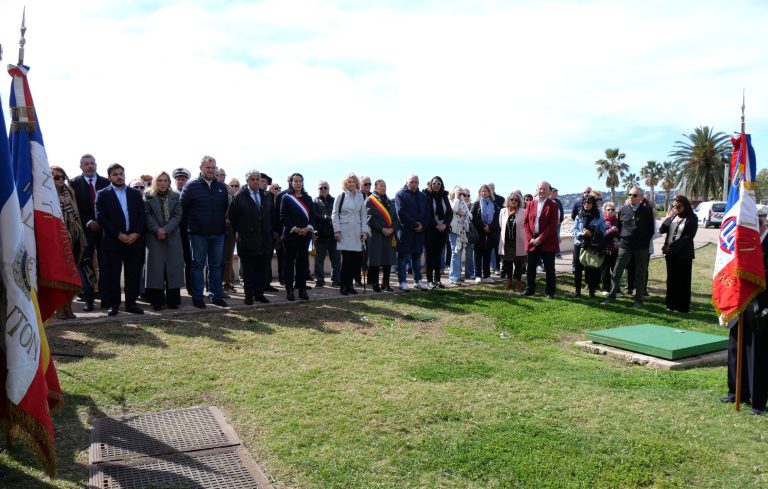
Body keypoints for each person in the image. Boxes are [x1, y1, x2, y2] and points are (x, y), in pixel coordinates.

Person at [721, 209, 768, 415]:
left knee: (757, 353)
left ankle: (757, 401)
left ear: (761, 225)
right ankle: (736, 392)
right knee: (735, 347)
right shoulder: (741, 244)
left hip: (760, 305)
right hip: (739, 301)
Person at [95, 163, 146, 316]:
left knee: (133, 274)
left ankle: (131, 304)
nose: (119, 177)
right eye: (115, 174)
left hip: (134, 240)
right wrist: (118, 234)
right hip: (113, 241)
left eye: (121, 174)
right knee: (113, 274)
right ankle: (114, 305)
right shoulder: (103, 194)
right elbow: (100, 217)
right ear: (109, 176)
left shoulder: (134, 193)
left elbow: (142, 215)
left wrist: (136, 233)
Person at [180, 155, 230, 309]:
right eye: (208, 167)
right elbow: (182, 209)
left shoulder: (221, 187)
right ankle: (197, 297)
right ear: (201, 168)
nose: (211, 170)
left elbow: (225, 209)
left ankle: (215, 295)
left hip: (218, 234)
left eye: (213, 167)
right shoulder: (191, 186)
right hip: (197, 234)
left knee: (215, 265)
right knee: (197, 265)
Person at [601, 186, 656, 307]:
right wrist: (622, 241)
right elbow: (620, 228)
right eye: (630, 195)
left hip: (641, 247)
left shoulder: (647, 212)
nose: (631, 197)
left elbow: (651, 230)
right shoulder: (623, 210)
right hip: (625, 246)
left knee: (640, 274)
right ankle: (611, 296)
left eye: (634, 195)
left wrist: (644, 242)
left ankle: (639, 299)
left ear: (640, 198)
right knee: (616, 272)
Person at [69, 154, 110, 311]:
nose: (90, 166)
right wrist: (89, 222)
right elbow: (75, 207)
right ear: (81, 166)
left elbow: (110, 205)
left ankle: (106, 298)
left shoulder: (106, 182)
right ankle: (89, 299)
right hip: (85, 232)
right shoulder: (73, 183)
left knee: (105, 264)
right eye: (86, 164)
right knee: (86, 266)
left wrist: (101, 222)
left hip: (104, 231)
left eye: (92, 163)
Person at [229, 170, 273, 304]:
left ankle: (259, 293)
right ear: (247, 181)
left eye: (257, 179)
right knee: (248, 270)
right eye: (252, 179)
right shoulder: (240, 196)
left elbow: (272, 215)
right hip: (247, 239)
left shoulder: (266, 195)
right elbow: (233, 217)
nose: (255, 181)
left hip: (264, 239)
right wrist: (244, 230)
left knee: (262, 268)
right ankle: (249, 295)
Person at [144, 171, 184, 310]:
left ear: (169, 182)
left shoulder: (176, 196)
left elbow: (178, 216)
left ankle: (173, 301)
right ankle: (157, 302)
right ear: (155, 182)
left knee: (172, 268)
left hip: (172, 235)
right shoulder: (148, 196)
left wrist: (165, 230)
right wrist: (157, 230)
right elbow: (147, 216)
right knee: (156, 269)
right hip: (154, 237)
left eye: (165, 180)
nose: (162, 183)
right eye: (159, 180)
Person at [51, 166, 86, 319]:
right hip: (55, 240)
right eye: (56, 177)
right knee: (58, 277)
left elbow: (76, 216)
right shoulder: (44, 195)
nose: (60, 180)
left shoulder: (70, 193)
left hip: (73, 239)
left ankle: (68, 307)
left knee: (72, 276)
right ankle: (58, 309)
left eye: (62, 177)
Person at [659, 195, 698, 312]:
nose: (676, 208)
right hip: (670, 253)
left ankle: (682, 306)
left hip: (683, 253)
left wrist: (672, 246)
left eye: (678, 206)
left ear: (685, 206)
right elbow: (662, 230)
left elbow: (689, 236)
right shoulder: (673, 217)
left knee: (683, 280)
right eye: (674, 206)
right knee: (671, 279)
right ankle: (670, 304)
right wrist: (668, 217)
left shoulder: (692, 218)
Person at [332, 173, 369, 295]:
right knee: (346, 260)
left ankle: (350, 286)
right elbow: (335, 215)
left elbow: (363, 215)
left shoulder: (361, 196)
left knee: (354, 261)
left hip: (357, 232)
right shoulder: (340, 196)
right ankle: (343, 286)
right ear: (345, 183)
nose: (351, 183)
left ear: (357, 183)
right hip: (344, 232)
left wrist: (364, 231)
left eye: (353, 181)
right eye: (349, 181)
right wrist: (337, 230)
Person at [280, 172, 315, 301]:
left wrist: (308, 227)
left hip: (304, 236)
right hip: (290, 236)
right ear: (291, 182)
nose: (298, 183)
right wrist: (295, 229)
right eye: (295, 181)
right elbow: (283, 217)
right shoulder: (286, 197)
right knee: (289, 264)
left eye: (300, 181)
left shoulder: (308, 198)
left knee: (302, 264)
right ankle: (289, 290)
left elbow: (312, 216)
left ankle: (302, 290)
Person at [523, 181, 559, 299]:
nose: (542, 191)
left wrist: (540, 238)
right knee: (531, 268)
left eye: (544, 189)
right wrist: (531, 238)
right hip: (532, 241)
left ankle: (550, 292)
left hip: (547, 241)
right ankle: (530, 289)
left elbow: (553, 225)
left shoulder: (553, 205)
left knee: (549, 268)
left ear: (549, 191)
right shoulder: (530, 204)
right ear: (537, 190)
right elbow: (526, 222)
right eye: (540, 189)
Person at [395, 174, 430, 291]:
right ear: (406, 182)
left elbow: (427, 212)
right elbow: (401, 213)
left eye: (416, 182)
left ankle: (418, 280)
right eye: (412, 182)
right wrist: (415, 225)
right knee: (403, 258)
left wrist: (422, 225)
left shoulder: (422, 196)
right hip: (406, 231)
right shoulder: (400, 195)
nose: (414, 184)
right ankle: (403, 281)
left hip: (419, 232)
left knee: (417, 257)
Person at [366, 179, 400, 292]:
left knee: (388, 259)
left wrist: (392, 229)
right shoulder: (370, 200)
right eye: (381, 186)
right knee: (376, 259)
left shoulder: (390, 201)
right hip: (376, 234)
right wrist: (382, 229)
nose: (383, 188)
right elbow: (369, 218)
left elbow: (395, 218)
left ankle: (385, 283)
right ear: (375, 188)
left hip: (389, 234)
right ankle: (375, 283)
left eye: (384, 186)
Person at [572, 195, 605, 298]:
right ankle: (577, 291)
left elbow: (603, 230)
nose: (586, 204)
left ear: (593, 204)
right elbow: (574, 230)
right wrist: (581, 234)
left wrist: (591, 232)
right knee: (577, 268)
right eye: (584, 202)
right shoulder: (579, 216)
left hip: (592, 245)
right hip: (579, 244)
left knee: (590, 268)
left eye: (589, 202)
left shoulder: (598, 216)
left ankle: (591, 291)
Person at [423, 176, 453, 289]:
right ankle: (430, 280)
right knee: (430, 256)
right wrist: (436, 225)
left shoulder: (444, 196)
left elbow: (449, 213)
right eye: (434, 183)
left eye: (438, 183)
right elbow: (427, 213)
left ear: (441, 185)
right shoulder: (427, 196)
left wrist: (444, 224)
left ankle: (438, 280)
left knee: (438, 256)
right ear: (431, 184)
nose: (436, 185)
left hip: (442, 230)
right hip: (431, 229)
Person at [470, 184, 500, 283]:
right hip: (479, 233)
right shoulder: (476, 204)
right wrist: (483, 226)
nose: (483, 193)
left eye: (485, 191)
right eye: (482, 191)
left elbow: (497, 219)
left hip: (490, 234)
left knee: (487, 255)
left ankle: (487, 276)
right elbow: (473, 217)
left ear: (489, 192)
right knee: (477, 256)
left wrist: (490, 227)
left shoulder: (494, 205)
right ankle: (478, 275)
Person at [313, 180, 340, 288]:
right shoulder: (314, 201)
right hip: (320, 236)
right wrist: (326, 218)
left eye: (325, 188)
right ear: (318, 189)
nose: (323, 190)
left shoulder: (335, 200)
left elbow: (338, 215)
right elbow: (314, 215)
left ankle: (336, 280)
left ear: (329, 189)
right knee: (319, 260)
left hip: (334, 235)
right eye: (321, 188)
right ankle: (319, 280)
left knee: (336, 260)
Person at [498, 190, 527, 291]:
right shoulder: (503, 211)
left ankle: (518, 281)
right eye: (512, 199)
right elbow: (501, 225)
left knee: (518, 264)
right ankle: (509, 280)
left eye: (516, 200)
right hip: (506, 242)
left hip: (518, 242)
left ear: (519, 202)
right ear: (508, 200)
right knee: (507, 263)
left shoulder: (523, 212)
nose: (514, 201)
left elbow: (525, 226)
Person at [172, 167, 193, 296]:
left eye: (183, 179)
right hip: (173, 232)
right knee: (174, 262)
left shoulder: (190, 194)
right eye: (179, 179)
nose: (181, 182)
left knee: (190, 261)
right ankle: (174, 290)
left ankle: (191, 288)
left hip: (188, 232)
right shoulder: (171, 194)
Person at [448, 185, 470, 285]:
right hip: (454, 230)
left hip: (462, 232)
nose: (461, 195)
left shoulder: (463, 203)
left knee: (459, 253)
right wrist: (456, 198)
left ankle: (457, 274)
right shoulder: (451, 200)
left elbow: (470, 215)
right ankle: (453, 277)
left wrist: (464, 213)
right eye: (459, 193)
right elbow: (454, 209)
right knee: (455, 253)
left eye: (462, 193)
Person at [600, 201, 620, 294]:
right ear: (605, 211)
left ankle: (617, 289)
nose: (611, 211)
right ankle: (605, 288)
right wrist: (611, 230)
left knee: (616, 270)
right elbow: (600, 235)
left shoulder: (618, 221)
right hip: (605, 249)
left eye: (613, 209)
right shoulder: (602, 221)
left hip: (616, 249)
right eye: (608, 210)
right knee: (605, 270)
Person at [461, 189, 476, 280]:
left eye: (468, 195)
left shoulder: (472, 205)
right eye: (464, 195)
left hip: (469, 232)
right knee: (457, 254)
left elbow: (471, 217)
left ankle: (469, 273)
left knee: (470, 253)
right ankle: (457, 273)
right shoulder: (456, 204)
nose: (466, 197)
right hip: (459, 231)